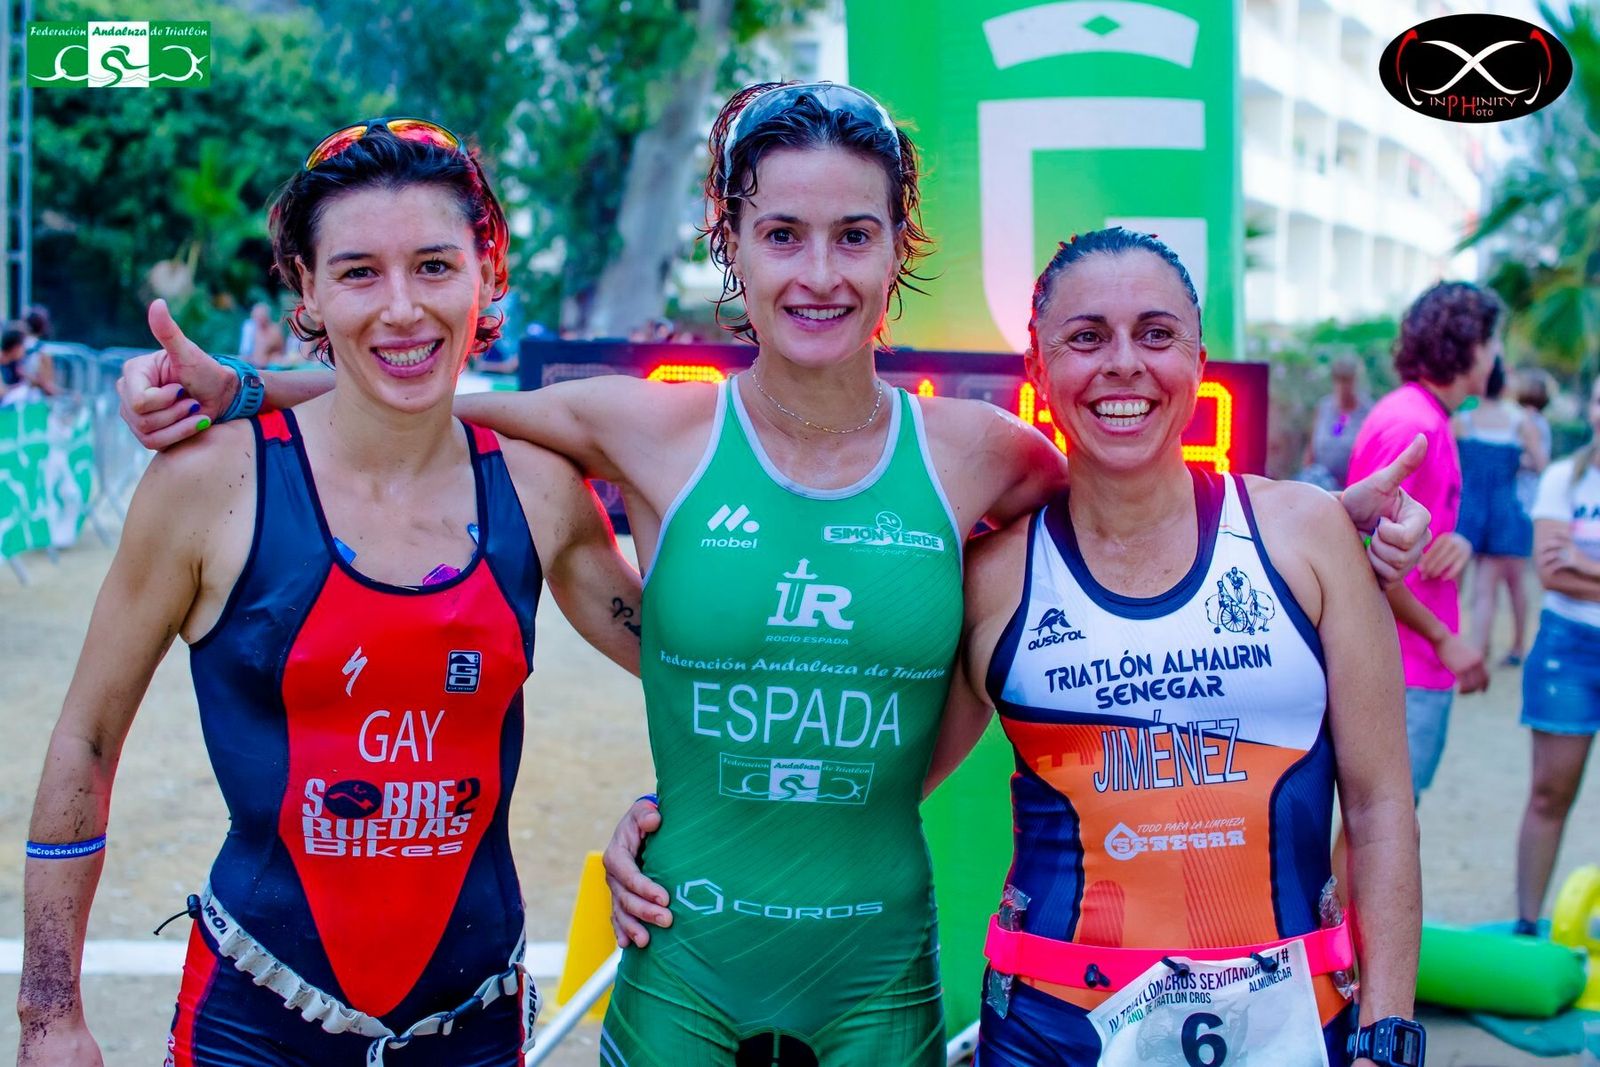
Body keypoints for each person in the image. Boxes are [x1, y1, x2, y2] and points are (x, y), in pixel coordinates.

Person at [115, 85, 1429, 1063]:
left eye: (853, 236)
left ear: (898, 247)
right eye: (783, 234)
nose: (818, 272)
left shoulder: (983, 455)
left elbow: (1137, 501)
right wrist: (239, 389)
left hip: (877, 977)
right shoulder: (643, 428)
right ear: (731, 245)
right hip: (683, 958)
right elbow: (419, 388)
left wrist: (1323, 520)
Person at [17, 119, 645, 1067]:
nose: (403, 309)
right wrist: (48, 1014)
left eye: (434, 265)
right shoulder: (210, 485)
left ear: (486, 276)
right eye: (358, 273)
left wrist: (670, 813)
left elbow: (690, 674)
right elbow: (86, 739)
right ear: (306, 288)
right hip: (253, 1020)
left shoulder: (539, 488)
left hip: (472, 1026)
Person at [1346, 282, 1498, 804]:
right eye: (1492, 343)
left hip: (1411, 662)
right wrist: (1442, 639)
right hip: (1402, 666)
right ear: (1470, 344)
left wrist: (1458, 542)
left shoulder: (1427, 417)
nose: (1496, 356)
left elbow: (1420, 527)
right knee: (1383, 823)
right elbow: (1361, 556)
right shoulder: (1414, 425)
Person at [1513, 377, 1600, 938]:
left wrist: (1583, 564)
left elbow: (1569, 569)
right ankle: (1526, 926)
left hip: (1572, 630)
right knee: (1550, 793)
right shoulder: (1563, 478)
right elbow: (1550, 574)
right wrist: (1571, 570)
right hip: (1567, 648)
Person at [1455, 358, 1547, 666]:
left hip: (1469, 509)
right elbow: (1542, 464)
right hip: (1504, 510)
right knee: (1493, 586)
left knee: (1464, 586)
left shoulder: (1462, 421)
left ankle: (1459, 649)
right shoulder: (1519, 422)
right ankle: (1480, 655)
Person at [1300, 354, 1370, 490]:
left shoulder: (1367, 412)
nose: (1343, 386)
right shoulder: (1324, 407)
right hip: (1320, 484)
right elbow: (1311, 448)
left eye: (1347, 380)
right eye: (1339, 380)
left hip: (1352, 487)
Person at [238, 301, 287, 368]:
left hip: (272, 366)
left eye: (260, 317)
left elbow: (281, 352)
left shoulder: (275, 330)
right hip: (256, 365)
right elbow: (248, 353)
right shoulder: (253, 330)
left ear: (267, 317)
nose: (258, 320)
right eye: (256, 317)